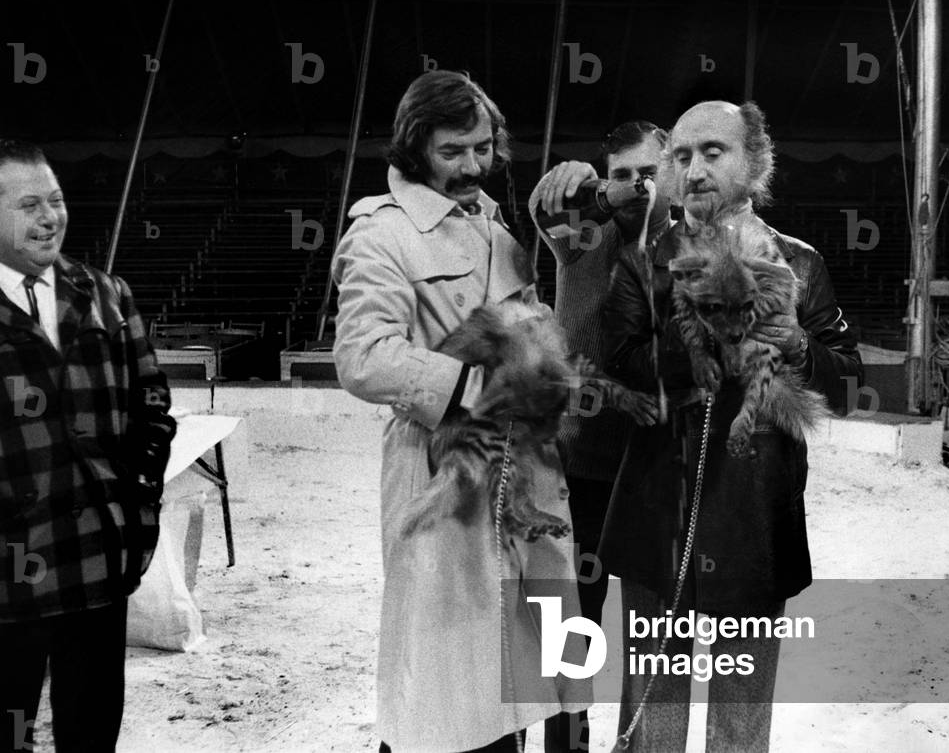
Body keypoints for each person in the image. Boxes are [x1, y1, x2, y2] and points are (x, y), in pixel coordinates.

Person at [331, 70, 590, 753]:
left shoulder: (491, 223)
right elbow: (361, 355)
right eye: (454, 151)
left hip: (526, 475)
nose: (474, 164)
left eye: (483, 146)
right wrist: (479, 388)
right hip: (442, 476)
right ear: (415, 148)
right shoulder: (379, 234)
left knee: (521, 679)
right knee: (443, 696)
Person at [599, 101, 862, 751]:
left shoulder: (800, 264)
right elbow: (619, 369)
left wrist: (792, 342)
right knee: (652, 714)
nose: (693, 170)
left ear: (755, 163)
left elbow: (845, 385)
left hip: (752, 517)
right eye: (680, 156)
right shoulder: (640, 260)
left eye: (713, 152)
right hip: (659, 512)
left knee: (740, 721)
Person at [0, 140, 176, 752]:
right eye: (29, 204)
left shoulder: (107, 295)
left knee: (91, 732)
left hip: (98, 564)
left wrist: (135, 499)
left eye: (56, 200)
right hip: (9, 576)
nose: (50, 217)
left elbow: (153, 405)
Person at [528, 121, 672, 752]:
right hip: (580, 464)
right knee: (571, 629)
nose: (638, 186)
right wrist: (570, 184)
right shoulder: (584, 238)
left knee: (652, 635)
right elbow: (541, 207)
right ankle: (568, 745)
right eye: (623, 174)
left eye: (651, 172)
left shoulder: (681, 240)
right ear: (604, 178)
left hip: (651, 467)